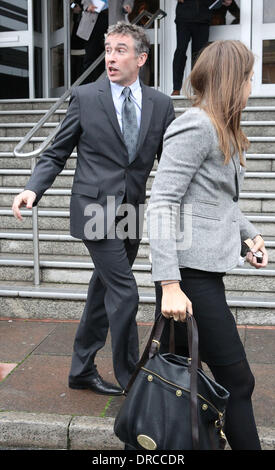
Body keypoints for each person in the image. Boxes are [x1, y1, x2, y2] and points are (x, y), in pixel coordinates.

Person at [12, 22, 175, 396]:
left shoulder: (161, 104)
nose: (111, 57)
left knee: (102, 294)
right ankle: (132, 379)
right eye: (107, 50)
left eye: (120, 50)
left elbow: (171, 164)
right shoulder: (85, 97)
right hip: (94, 210)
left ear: (141, 58)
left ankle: (81, 370)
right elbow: (56, 151)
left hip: (132, 212)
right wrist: (32, 189)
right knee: (126, 292)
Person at [147, 40, 267, 450]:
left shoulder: (222, 128)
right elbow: (162, 201)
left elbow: (218, 200)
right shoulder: (195, 125)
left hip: (201, 274)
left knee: (176, 376)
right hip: (188, 280)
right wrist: (168, 283)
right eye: (249, 77)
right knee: (238, 381)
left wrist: (248, 234)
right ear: (234, 81)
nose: (253, 85)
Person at [171, 0, 233, 96]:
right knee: (180, 51)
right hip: (184, 17)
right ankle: (176, 88)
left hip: (203, 19)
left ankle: (198, 88)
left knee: (200, 56)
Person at [77, 1, 134, 83]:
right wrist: (88, 4)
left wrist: (127, 4)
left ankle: (111, 87)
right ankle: (88, 89)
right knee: (91, 56)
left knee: (113, 57)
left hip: (114, 18)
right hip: (93, 17)